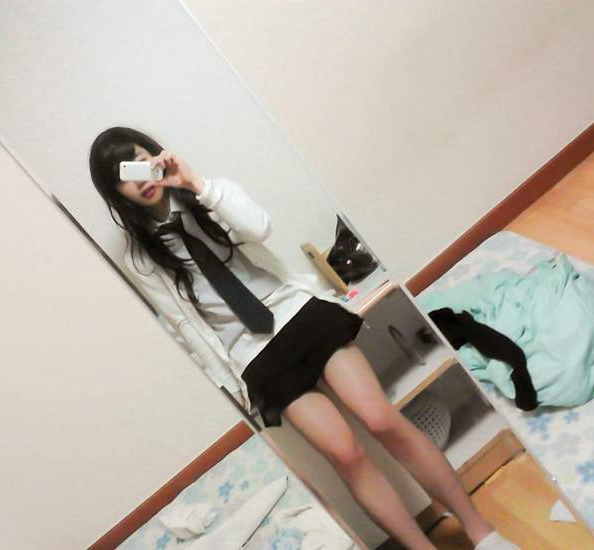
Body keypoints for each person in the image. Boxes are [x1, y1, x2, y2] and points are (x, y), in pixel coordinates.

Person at [89, 127, 518, 550]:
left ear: (157, 154)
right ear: (115, 194)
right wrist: (233, 385)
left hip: (294, 313)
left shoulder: (210, 193)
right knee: (345, 454)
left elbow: (259, 228)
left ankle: (481, 534)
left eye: (139, 162)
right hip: (252, 353)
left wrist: (197, 184)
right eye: (124, 176)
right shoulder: (140, 258)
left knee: (381, 420)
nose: (139, 179)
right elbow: (185, 328)